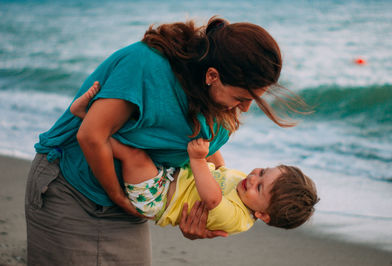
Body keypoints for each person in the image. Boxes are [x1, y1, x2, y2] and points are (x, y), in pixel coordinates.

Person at [25, 16, 308, 265]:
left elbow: (205, 154)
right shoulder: (147, 67)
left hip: (132, 202)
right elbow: (90, 135)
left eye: (253, 100)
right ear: (212, 75)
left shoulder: (219, 105)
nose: (245, 108)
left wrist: (198, 216)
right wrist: (117, 197)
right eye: (241, 98)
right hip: (71, 187)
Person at [71, 83, 319, 234]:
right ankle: (106, 114)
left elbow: (212, 198)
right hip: (168, 178)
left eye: (261, 187)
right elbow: (220, 168)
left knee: (133, 155)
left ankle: (89, 119)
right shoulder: (245, 187)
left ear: (263, 215)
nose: (254, 178)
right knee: (145, 140)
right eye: (263, 171)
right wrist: (210, 142)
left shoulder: (237, 219)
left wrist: (198, 160)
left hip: (156, 198)